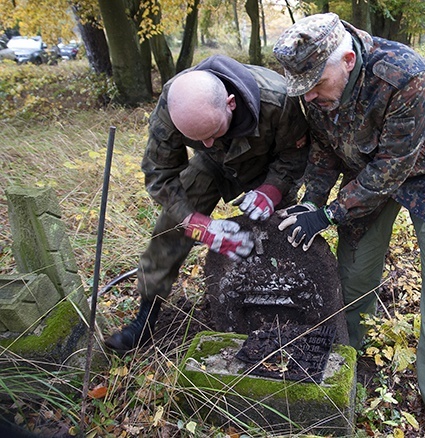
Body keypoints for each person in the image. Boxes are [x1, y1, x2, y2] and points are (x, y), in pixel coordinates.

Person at [273, 13, 425, 438]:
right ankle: (349, 362)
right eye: (302, 90)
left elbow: (391, 168)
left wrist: (329, 214)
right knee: (354, 273)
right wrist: (312, 201)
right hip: (365, 173)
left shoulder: (408, 75)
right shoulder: (316, 90)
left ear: (347, 60)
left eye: (316, 87)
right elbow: (325, 147)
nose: (309, 98)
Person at [104, 55, 309, 355]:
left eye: (213, 133)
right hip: (212, 166)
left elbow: (295, 155)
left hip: (268, 166)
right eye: (198, 138)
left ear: (230, 103)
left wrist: (271, 191)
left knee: (281, 232)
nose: (208, 141)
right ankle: (144, 320)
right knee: (170, 229)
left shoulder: (278, 99)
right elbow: (159, 174)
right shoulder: (175, 105)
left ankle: (296, 312)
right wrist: (197, 225)